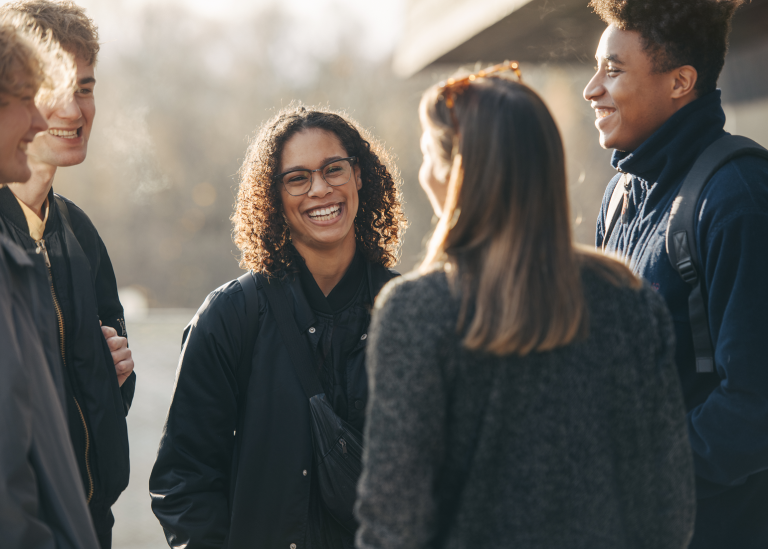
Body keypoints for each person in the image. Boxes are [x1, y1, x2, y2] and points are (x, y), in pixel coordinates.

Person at [355, 66, 696, 549]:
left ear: (457, 174)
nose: (423, 172)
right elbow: (669, 510)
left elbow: (392, 522)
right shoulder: (629, 300)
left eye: (429, 155)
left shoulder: (417, 310)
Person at [150, 105, 406, 549]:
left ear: (359, 175)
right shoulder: (231, 316)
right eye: (298, 178)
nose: (321, 189)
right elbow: (185, 479)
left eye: (334, 170)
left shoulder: (408, 313)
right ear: (274, 197)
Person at [584, 1, 768, 546]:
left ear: (680, 81)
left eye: (612, 70)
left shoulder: (739, 199)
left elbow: (755, 403)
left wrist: (634, 471)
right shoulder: (619, 195)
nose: (592, 89)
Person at [0, 2, 134, 547]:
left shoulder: (79, 232)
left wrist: (114, 374)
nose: (74, 111)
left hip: (89, 526)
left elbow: (108, 401)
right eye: (54, 87)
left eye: (85, 88)